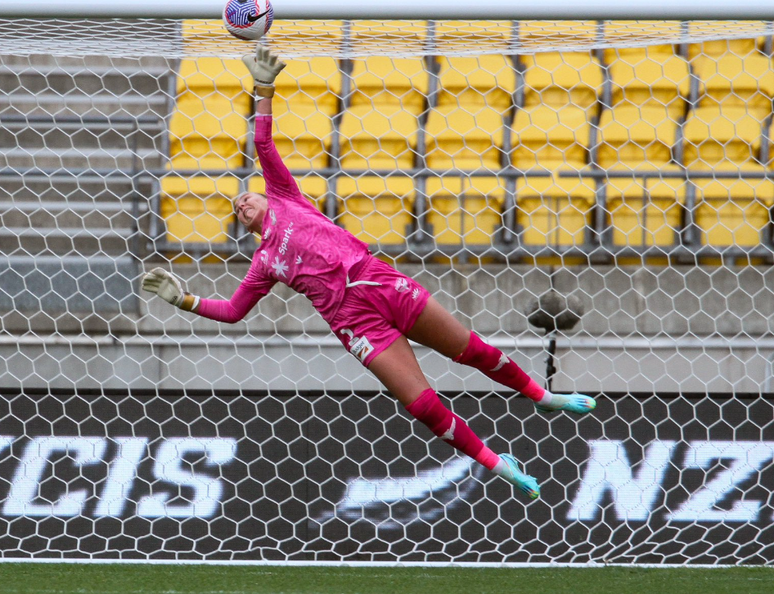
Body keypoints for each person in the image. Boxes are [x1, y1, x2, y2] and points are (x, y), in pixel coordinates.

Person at [141, 46, 595, 500]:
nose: (242, 203)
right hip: (356, 324)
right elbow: (234, 310)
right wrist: (184, 299)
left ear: (264, 196)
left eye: (245, 196)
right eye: (238, 209)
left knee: (470, 350)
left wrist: (263, 88)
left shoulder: (286, 197)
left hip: (381, 284)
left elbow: (263, 144)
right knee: (421, 405)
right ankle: (499, 466)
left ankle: (542, 396)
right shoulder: (264, 263)